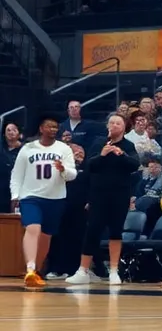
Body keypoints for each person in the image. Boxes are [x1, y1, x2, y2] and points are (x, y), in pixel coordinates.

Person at [66, 114, 140, 285]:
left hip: (120, 195)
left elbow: (134, 165)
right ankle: (83, 270)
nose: (114, 125)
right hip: (98, 194)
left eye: (118, 123)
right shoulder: (99, 142)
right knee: (92, 230)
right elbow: (89, 165)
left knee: (115, 231)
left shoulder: (128, 146)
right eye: (112, 122)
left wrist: (121, 155)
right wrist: (102, 154)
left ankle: (114, 271)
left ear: (124, 127)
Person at [9, 115, 77, 287]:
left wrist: (63, 169)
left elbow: (72, 174)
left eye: (55, 127)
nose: (53, 129)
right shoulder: (28, 148)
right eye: (49, 126)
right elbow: (17, 174)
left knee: (46, 236)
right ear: (41, 128)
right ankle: (30, 267)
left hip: (56, 198)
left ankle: (36, 271)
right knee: (33, 228)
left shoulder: (64, 149)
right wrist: (15, 195)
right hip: (31, 196)